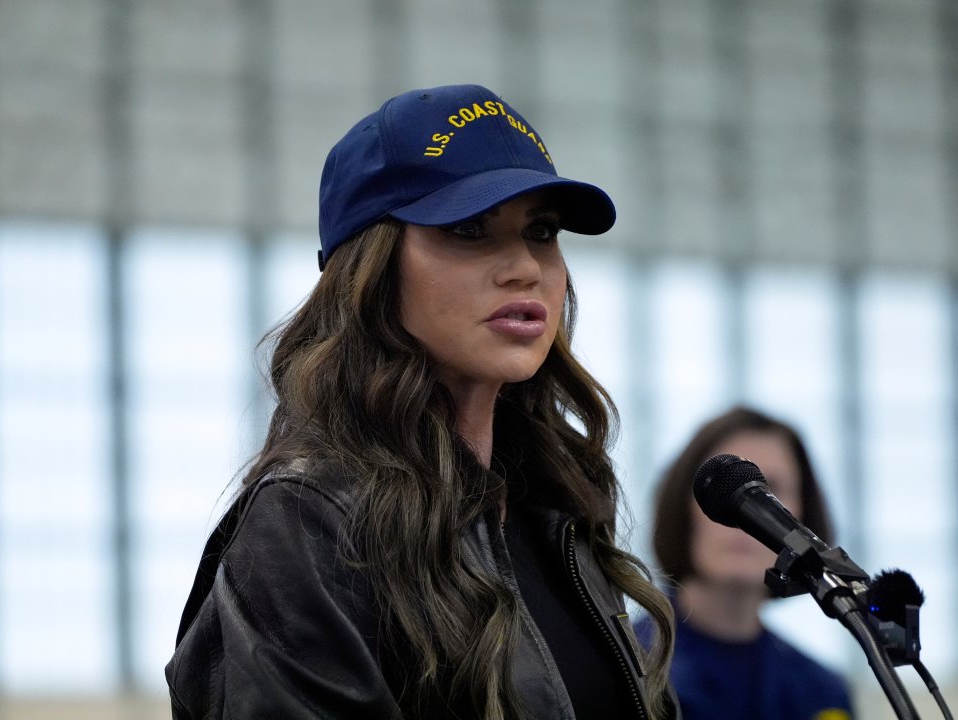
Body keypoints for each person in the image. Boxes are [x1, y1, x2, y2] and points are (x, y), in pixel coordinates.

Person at [164, 84, 679, 719]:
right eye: (468, 229)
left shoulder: (558, 506)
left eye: (541, 231)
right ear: (371, 270)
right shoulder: (309, 521)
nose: (524, 267)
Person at [637, 406, 854, 720]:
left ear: (803, 519)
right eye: (725, 491)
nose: (743, 517)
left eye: (771, 492)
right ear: (683, 509)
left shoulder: (822, 692)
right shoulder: (623, 665)